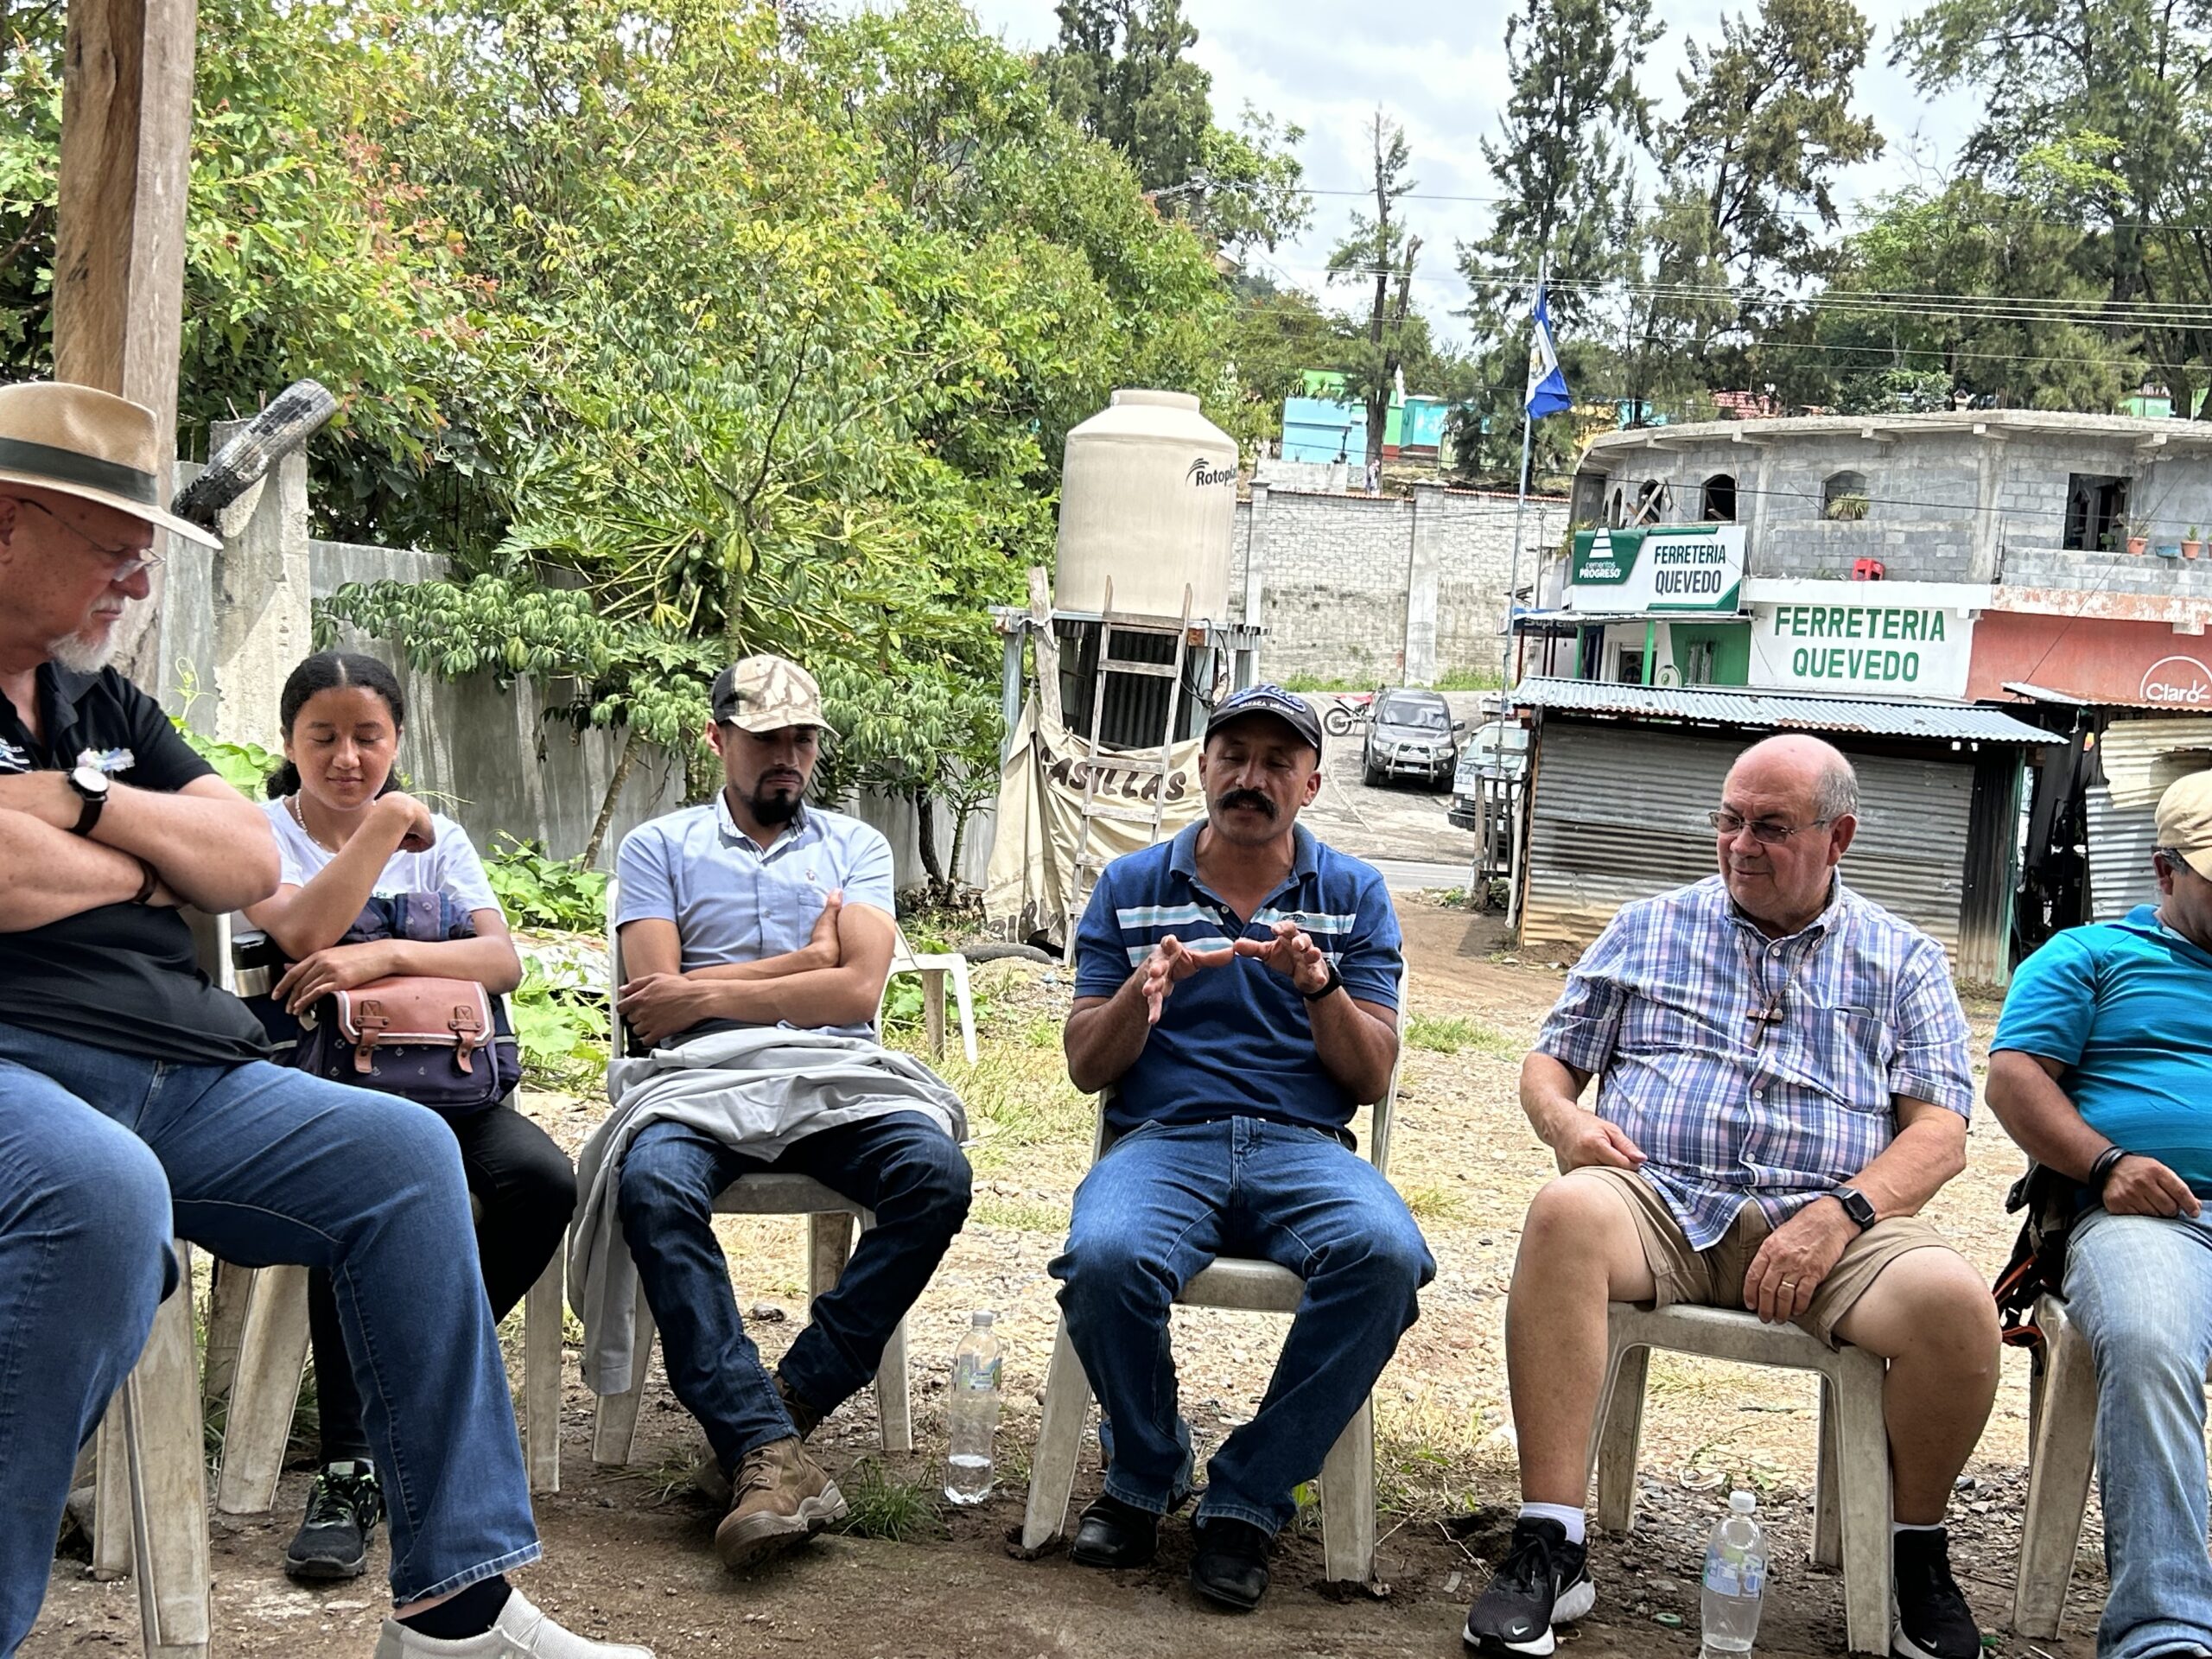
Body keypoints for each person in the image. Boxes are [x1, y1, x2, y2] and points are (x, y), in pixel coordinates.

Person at [0, 380, 647, 1659]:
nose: (139, 579)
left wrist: (79, 807)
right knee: (104, 1196)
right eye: (115, 548)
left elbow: (245, 859)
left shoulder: (100, 709)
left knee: (405, 1153)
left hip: (183, 1065)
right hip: (21, 1063)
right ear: (9, 522)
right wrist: (151, 857)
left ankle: (456, 1616)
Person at [1463, 734, 1994, 1659]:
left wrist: (1841, 1215)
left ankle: (1913, 1556)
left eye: (1772, 828)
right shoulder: (1648, 927)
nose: (1741, 845)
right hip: (1660, 1204)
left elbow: (1939, 1133)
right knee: (1564, 1213)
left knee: (1955, 1304)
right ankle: (1551, 1541)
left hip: (1832, 1225)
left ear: (1838, 838)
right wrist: (1566, 1125)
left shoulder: (1902, 958)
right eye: (1730, 820)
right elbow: (1550, 1064)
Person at [574, 654, 970, 1575]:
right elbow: (653, 1008)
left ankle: (773, 1418)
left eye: (802, 740)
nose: (788, 756)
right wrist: (802, 965)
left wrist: (707, 990)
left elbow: (856, 992)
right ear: (718, 740)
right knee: (652, 1182)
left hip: (837, 1077)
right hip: (696, 1081)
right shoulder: (658, 847)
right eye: (766, 739)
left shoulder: (857, 847)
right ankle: (764, 1442)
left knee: (934, 1174)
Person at [1052, 683, 1432, 1612]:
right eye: (1232, 757)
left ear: (1310, 783)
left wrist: (1319, 987)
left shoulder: (1353, 893)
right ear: (1202, 767)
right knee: (1104, 1257)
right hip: (1163, 1140)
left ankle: (1248, 1500)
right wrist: (1142, 993)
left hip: (1305, 1146)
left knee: (1385, 1257)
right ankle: (1145, 1473)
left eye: (1276, 763)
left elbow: (1370, 1075)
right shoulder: (1131, 885)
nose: (1250, 779)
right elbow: (1087, 1067)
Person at [238, 650, 577, 1583]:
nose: (347, 757)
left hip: (446, 1084)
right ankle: (350, 1470)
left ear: (396, 740)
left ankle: (408, 1383)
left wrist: (381, 959)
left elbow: (501, 963)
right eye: (323, 737)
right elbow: (303, 932)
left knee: (543, 1182)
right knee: (363, 1191)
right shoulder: (260, 836)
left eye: (368, 737)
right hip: (322, 1094)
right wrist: (389, 823)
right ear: (289, 742)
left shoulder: (448, 842)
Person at [1985, 772, 2212, 1659]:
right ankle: (2164, 1628)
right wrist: (2105, 1162)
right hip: (2148, 1219)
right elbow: (2014, 1078)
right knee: (2149, 1342)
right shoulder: (2089, 957)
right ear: (2165, 871)